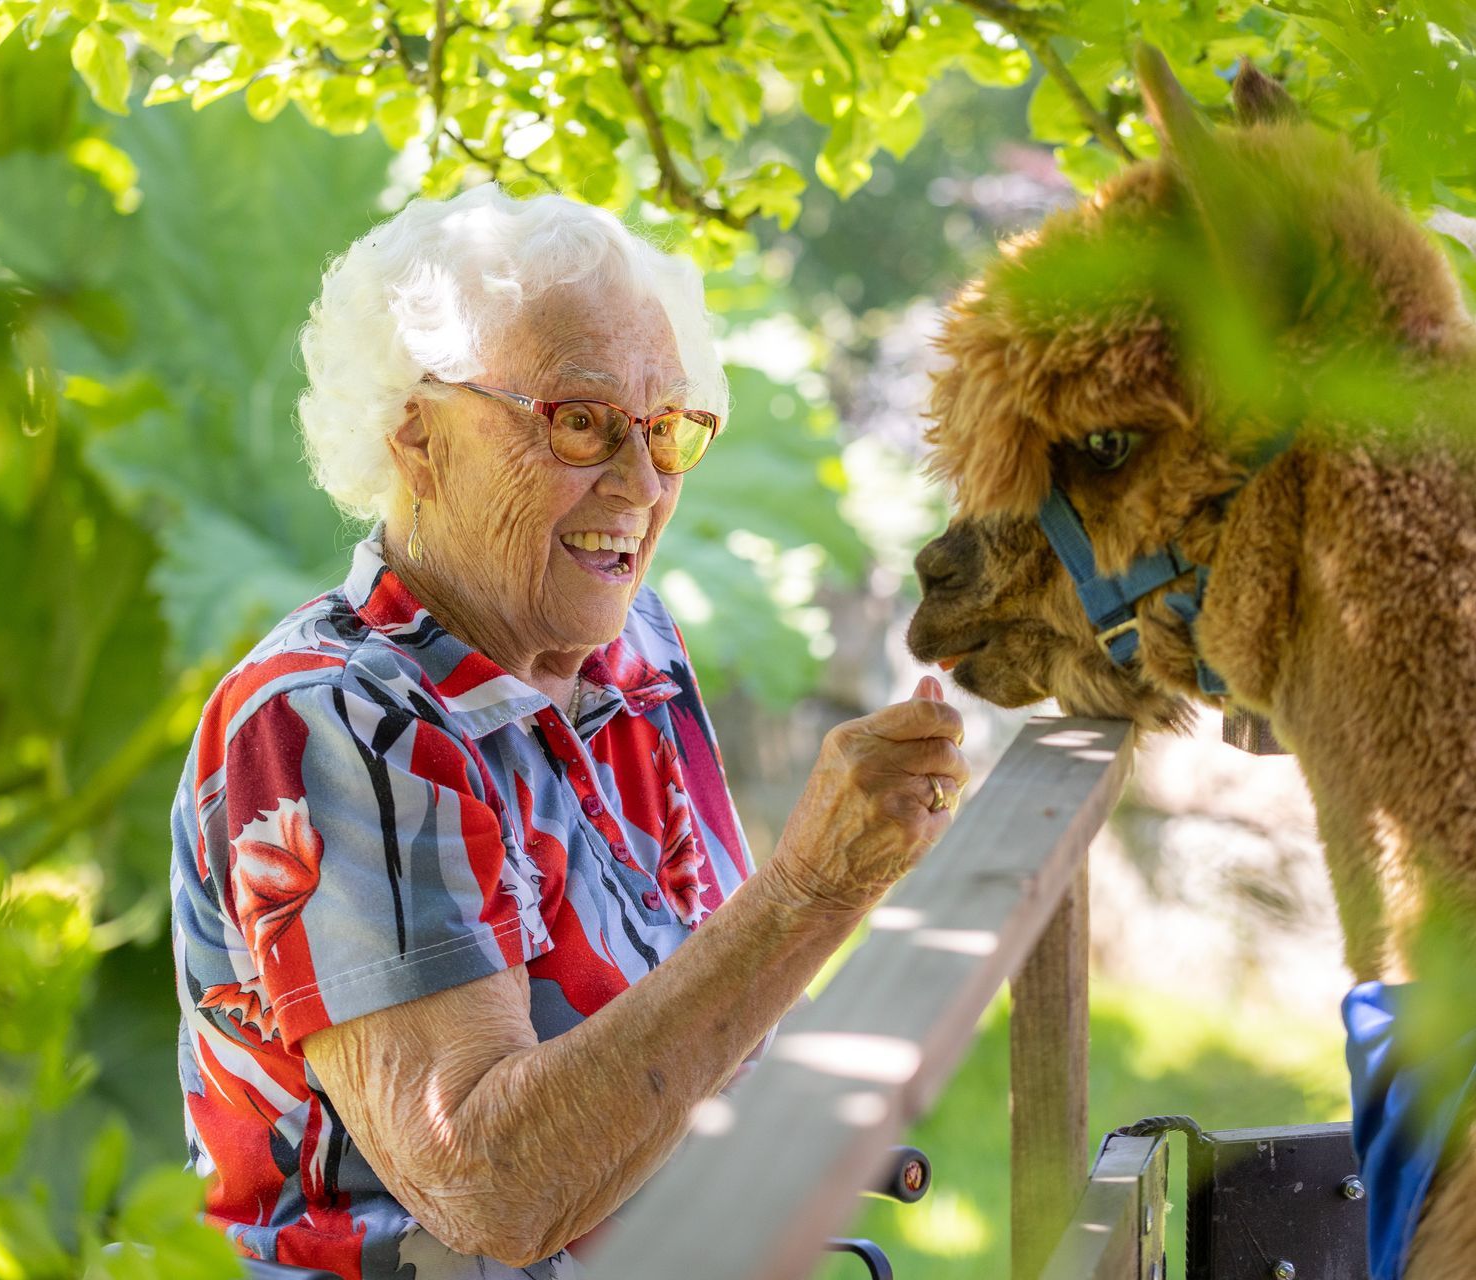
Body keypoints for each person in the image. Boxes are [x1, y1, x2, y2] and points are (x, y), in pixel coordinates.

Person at [168, 183, 969, 1279]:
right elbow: (490, 1182)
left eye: (670, 426)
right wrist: (810, 893)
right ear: (418, 434)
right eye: (581, 420)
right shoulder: (334, 720)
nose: (640, 482)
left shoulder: (636, 650)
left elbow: (704, 1031)